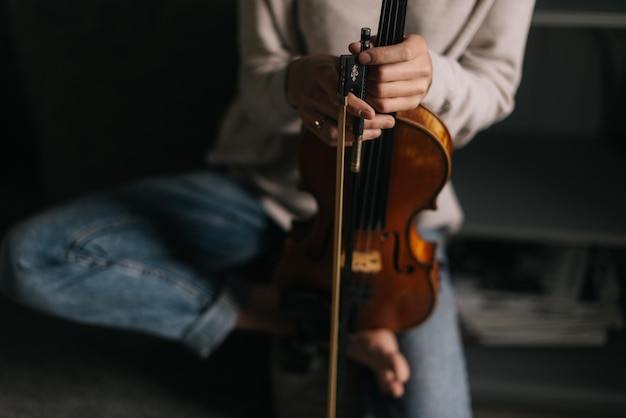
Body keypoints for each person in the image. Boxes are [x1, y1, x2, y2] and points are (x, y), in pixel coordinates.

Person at [0, 0, 536, 417]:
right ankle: (308, 319)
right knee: (31, 258)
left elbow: (496, 85)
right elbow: (257, 81)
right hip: (266, 194)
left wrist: (434, 80)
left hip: (395, 222)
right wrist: (295, 81)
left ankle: (326, 314)